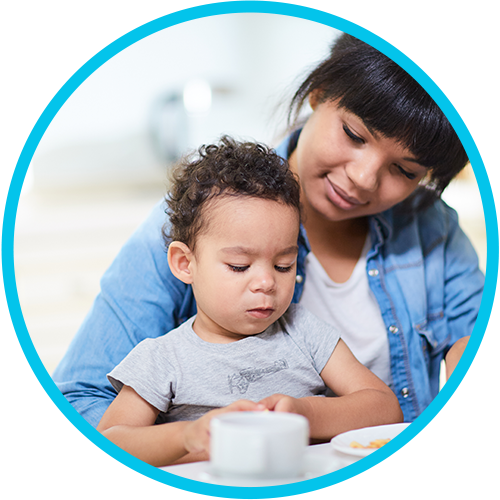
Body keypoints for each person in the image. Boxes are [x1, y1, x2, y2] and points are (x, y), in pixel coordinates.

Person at [52, 33, 484, 428]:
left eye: (405, 171)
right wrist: (209, 439)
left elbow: (464, 341)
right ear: (318, 94)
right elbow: (82, 399)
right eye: (354, 135)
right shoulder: (200, 222)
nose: (364, 178)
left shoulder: (432, 225)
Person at [96, 137, 403, 466]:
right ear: (185, 264)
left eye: (283, 265)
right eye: (239, 266)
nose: (267, 282)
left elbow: (385, 407)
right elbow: (111, 439)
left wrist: (306, 413)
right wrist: (187, 435)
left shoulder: (302, 330)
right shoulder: (163, 359)